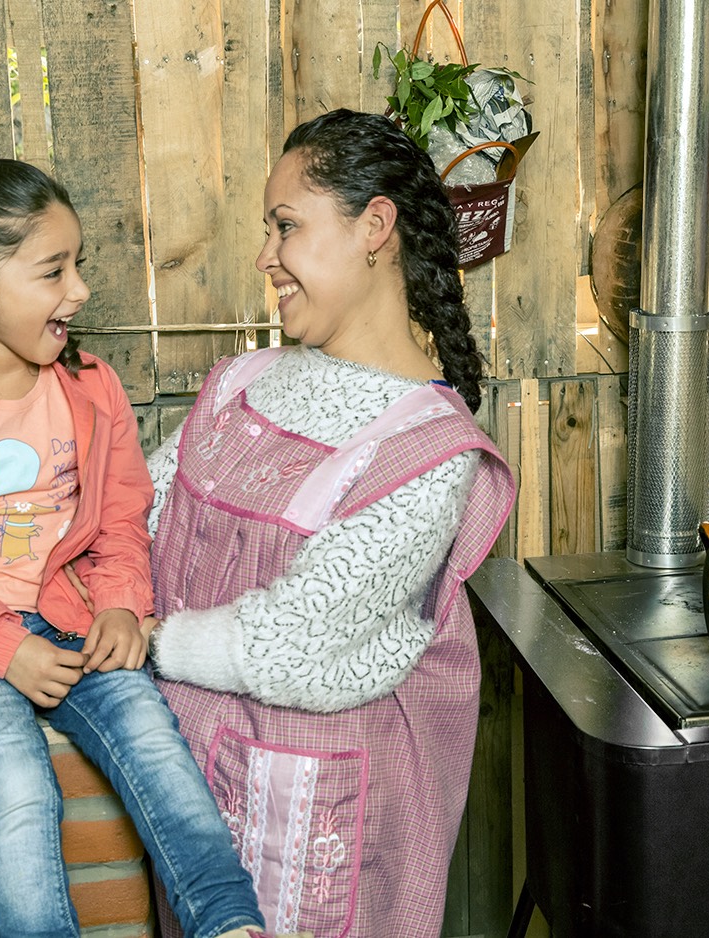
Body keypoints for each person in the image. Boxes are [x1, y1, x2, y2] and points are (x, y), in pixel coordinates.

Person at [0, 158, 307, 938]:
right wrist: (3, 647)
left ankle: (230, 923)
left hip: (69, 621)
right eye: (53, 271)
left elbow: (124, 519)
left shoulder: (90, 389)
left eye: (78, 265)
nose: (81, 290)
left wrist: (126, 606)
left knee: (155, 743)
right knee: (17, 774)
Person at [143, 109, 517, 937]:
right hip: (186, 795)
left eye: (286, 226)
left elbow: (294, 643)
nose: (263, 256)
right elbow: (137, 513)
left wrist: (141, 640)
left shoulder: (427, 450)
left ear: (373, 227)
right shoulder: (241, 382)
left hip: (307, 824)